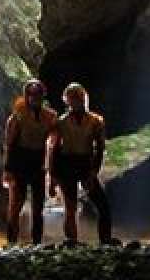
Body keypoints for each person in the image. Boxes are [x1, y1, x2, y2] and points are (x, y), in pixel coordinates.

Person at [47, 82, 114, 244]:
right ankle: (72, 242)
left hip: (85, 163)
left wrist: (93, 172)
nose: (77, 100)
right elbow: (53, 149)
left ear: (85, 98)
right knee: (70, 208)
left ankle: (105, 241)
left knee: (103, 206)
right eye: (73, 97)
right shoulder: (60, 122)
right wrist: (52, 176)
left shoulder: (95, 121)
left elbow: (99, 148)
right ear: (67, 100)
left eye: (79, 96)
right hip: (66, 164)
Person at [2, 78, 58, 245]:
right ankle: (11, 242)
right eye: (31, 94)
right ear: (26, 95)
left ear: (42, 95)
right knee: (15, 206)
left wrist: (52, 169)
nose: (34, 97)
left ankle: (36, 242)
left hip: (38, 163)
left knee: (38, 207)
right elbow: (9, 144)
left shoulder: (50, 116)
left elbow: (55, 140)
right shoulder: (17, 116)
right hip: (19, 162)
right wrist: (7, 170)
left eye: (38, 94)